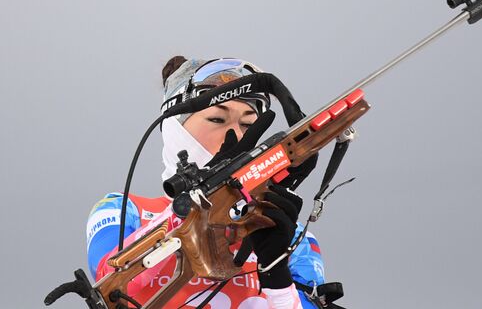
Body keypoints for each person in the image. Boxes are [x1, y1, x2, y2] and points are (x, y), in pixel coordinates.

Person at [86, 56, 326, 308]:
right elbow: (111, 282)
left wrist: (277, 277)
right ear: (175, 130)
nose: (235, 135)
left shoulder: (290, 233)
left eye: (247, 124)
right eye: (217, 120)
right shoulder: (124, 209)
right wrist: (192, 205)